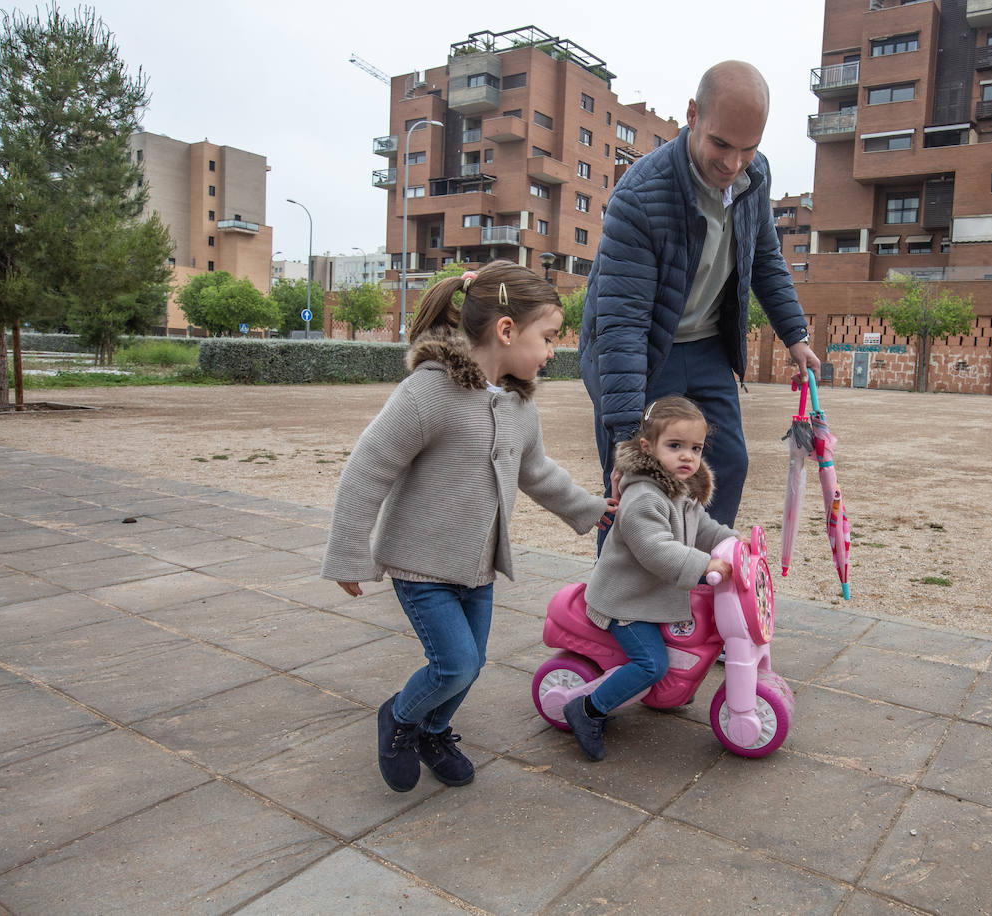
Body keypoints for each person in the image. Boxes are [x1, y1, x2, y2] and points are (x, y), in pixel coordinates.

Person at [321, 260, 617, 793]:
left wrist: (592, 509)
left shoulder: (518, 407)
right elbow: (368, 468)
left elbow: (538, 472)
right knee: (454, 665)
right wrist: (348, 551)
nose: (553, 351)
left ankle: (435, 730)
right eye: (548, 337)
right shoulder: (429, 393)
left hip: (477, 568)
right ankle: (400, 720)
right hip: (421, 565)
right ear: (506, 330)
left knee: (472, 663)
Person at [578, 60, 821, 533]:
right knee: (639, 483)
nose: (732, 164)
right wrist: (627, 443)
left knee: (727, 465)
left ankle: (699, 579)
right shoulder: (640, 196)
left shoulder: (756, 179)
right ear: (692, 115)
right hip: (645, 350)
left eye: (748, 149)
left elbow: (766, 257)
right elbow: (622, 325)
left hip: (707, 345)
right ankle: (615, 601)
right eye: (721, 144)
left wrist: (796, 335)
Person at [562, 396, 737, 761]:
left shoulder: (680, 488)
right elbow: (656, 550)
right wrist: (706, 565)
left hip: (649, 597)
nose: (687, 456)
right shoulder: (644, 496)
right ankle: (588, 710)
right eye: (675, 446)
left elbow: (701, 526)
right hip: (626, 601)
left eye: (695, 448)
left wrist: (732, 543)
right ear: (648, 448)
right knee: (651, 663)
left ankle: (664, 691)